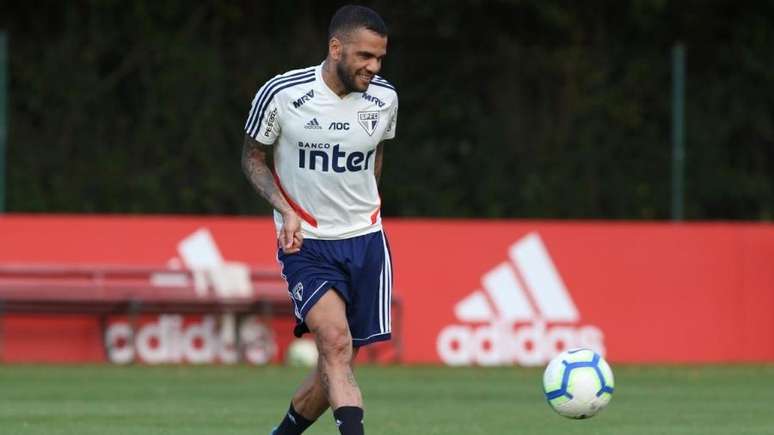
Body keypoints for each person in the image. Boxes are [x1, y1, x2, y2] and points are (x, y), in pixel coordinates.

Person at [241, 5, 398, 435]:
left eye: (379, 58)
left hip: (365, 240)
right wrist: (285, 209)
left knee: (338, 362)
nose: (373, 67)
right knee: (334, 343)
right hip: (306, 241)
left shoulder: (385, 99)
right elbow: (253, 158)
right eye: (365, 56)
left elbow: (375, 155)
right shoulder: (282, 93)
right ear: (335, 47)